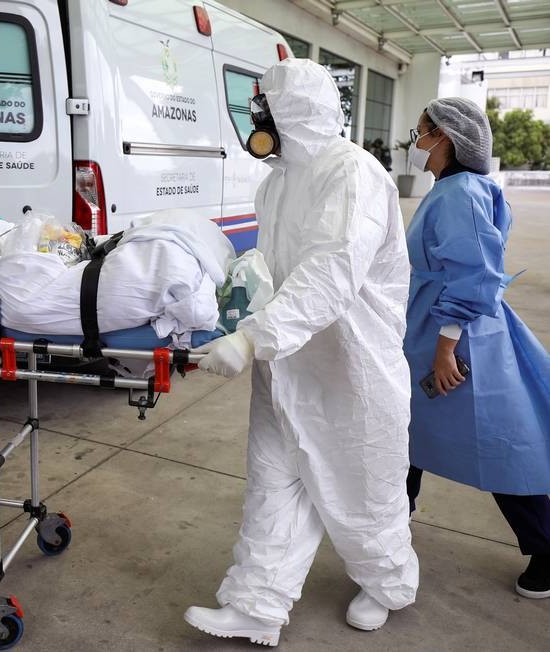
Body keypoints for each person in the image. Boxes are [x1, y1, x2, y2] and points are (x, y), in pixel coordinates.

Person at [184, 59, 419, 646]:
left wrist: (252, 338)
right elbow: (274, 270)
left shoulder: (354, 174)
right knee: (273, 480)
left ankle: (386, 584)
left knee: (362, 486)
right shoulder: (276, 183)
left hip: (351, 366)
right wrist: (233, 308)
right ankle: (257, 605)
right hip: (287, 363)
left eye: (268, 112)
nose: (258, 125)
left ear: (297, 115)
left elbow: (331, 272)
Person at [404, 97, 550, 599]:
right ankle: (391, 522)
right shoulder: (456, 188)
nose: (413, 140)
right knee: (404, 431)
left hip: (456, 335)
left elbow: (473, 275)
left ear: (443, 135)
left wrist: (446, 346)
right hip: (435, 326)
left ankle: (546, 546)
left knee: (498, 441)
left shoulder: (458, 193)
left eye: (419, 130)